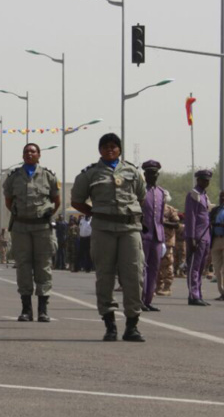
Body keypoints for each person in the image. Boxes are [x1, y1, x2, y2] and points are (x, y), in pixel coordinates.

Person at [70, 133, 147, 343]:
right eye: (105, 147)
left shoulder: (133, 171)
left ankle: (132, 325)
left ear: (120, 149)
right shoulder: (90, 174)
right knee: (105, 276)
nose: (110, 150)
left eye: (113, 146)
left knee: (133, 274)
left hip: (129, 227)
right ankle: (110, 324)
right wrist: (95, 212)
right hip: (103, 229)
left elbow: (141, 196)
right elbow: (76, 200)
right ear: (100, 150)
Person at [2, 143, 60, 322]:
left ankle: (43, 309)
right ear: (22, 155)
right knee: (23, 267)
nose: (29, 154)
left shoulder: (48, 176)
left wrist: (45, 213)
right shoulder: (13, 177)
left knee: (43, 266)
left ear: (39, 155)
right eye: (26, 151)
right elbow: (9, 202)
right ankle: (26, 309)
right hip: (21, 227)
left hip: (42, 228)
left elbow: (56, 201)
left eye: (33, 151)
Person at [183, 170, 213, 307]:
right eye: (204, 179)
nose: (206, 182)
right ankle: (193, 295)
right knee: (193, 267)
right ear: (198, 180)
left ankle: (198, 294)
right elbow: (191, 217)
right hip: (197, 236)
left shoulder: (204, 195)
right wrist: (192, 237)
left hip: (206, 236)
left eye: (208, 180)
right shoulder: (193, 195)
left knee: (201, 268)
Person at [139, 160, 165, 312]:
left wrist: (162, 239)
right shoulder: (140, 191)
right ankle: (140, 299)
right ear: (144, 175)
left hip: (157, 235)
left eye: (154, 173)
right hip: (143, 234)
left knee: (154, 269)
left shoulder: (161, 193)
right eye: (149, 173)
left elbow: (161, 217)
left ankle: (149, 299)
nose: (152, 176)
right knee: (142, 268)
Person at [156, 200, 181, 297]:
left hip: (167, 241)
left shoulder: (170, 210)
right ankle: (158, 287)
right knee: (156, 265)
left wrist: (164, 222)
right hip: (156, 240)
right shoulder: (154, 208)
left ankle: (167, 287)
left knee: (167, 264)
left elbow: (176, 224)